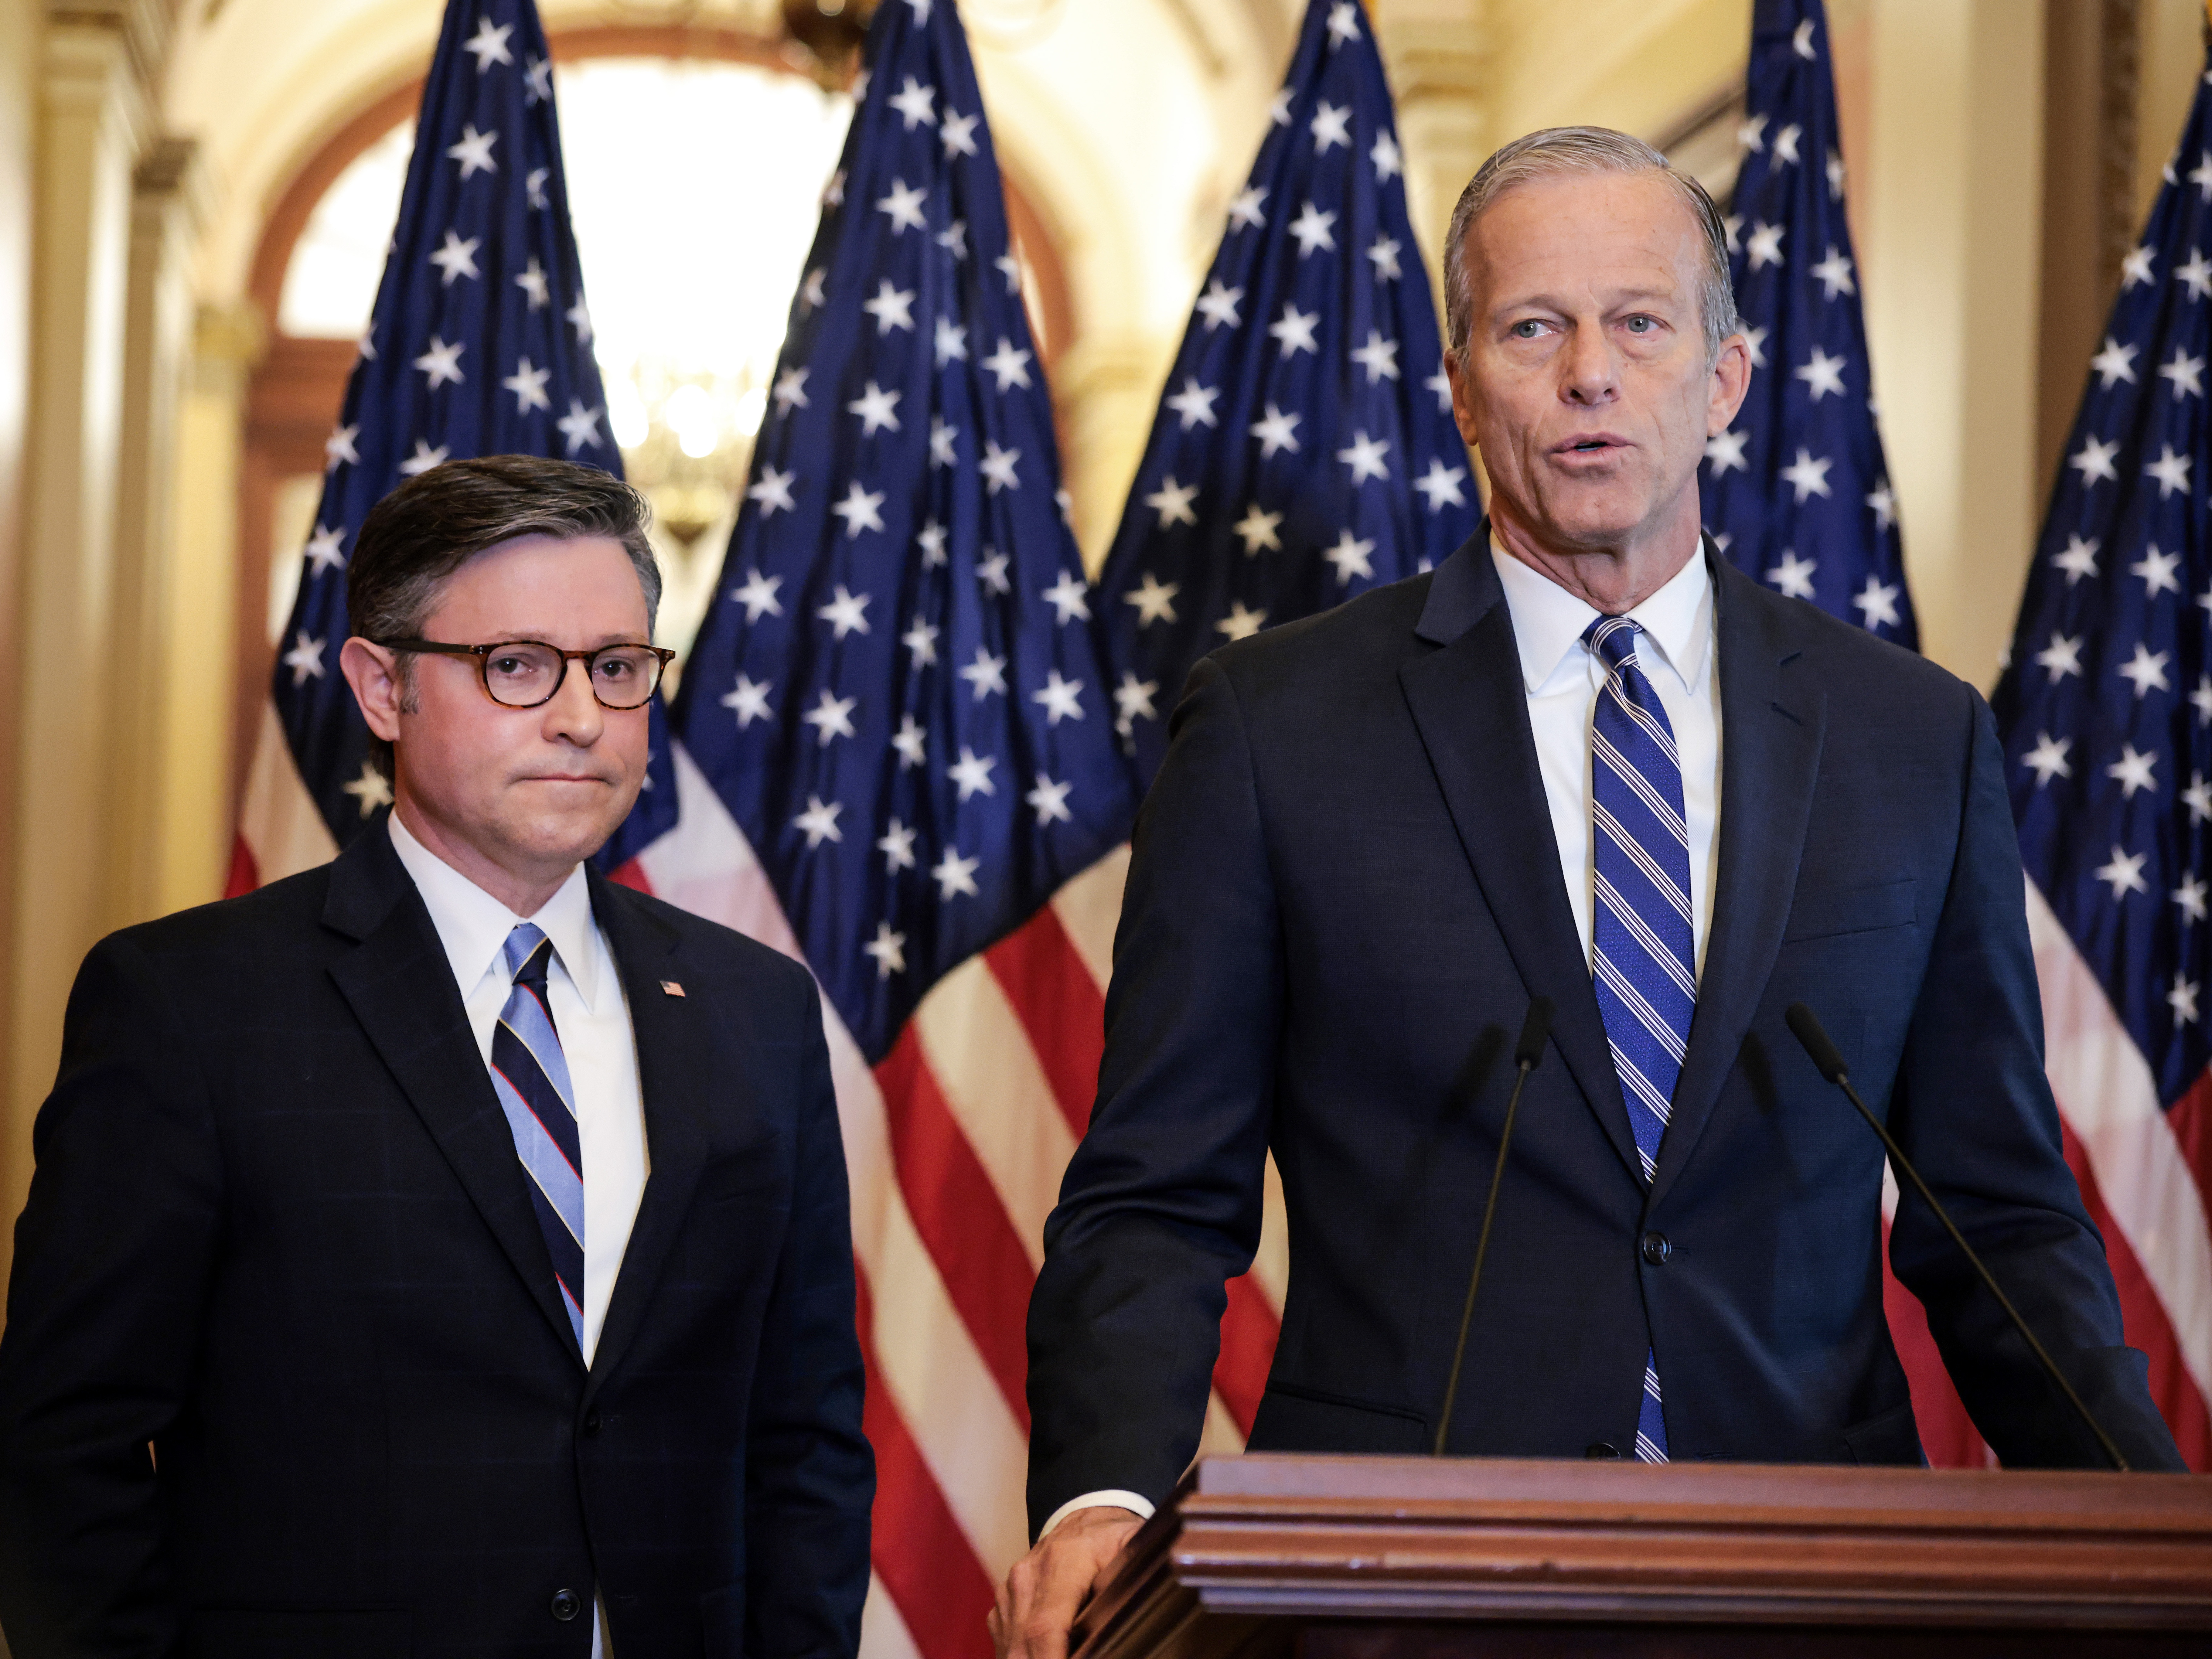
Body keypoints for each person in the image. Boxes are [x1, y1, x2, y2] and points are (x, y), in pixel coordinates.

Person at [995, 126, 2185, 1658]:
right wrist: (1096, 1499)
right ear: (1460, 386)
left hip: (1815, 1584)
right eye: (1532, 328)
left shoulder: (1910, 737)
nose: (1589, 375)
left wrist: (2148, 1527)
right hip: (1397, 1584)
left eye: (1640, 322)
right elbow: (1160, 1193)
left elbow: (1998, 1215)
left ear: (1725, 380)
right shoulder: (1275, 730)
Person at [0, 455, 872, 1657]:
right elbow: (65, 1450)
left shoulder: (756, 1007)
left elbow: (807, 1435)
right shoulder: (188, 1004)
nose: (581, 717)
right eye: (517, 665)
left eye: (617, 668)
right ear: (380, 686)